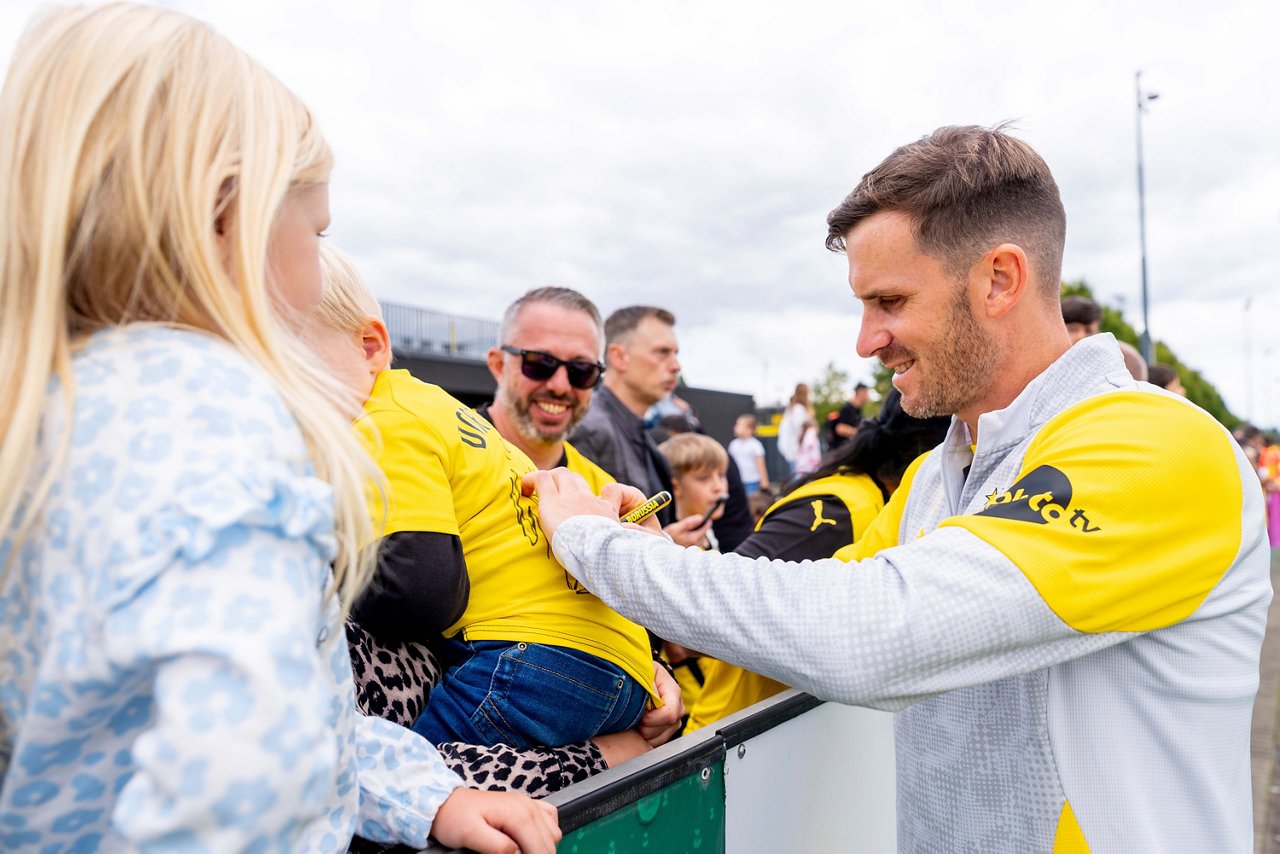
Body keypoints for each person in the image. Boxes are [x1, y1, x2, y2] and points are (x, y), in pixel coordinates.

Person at [526, 125, 1270, 851]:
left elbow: (872, 635)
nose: (865, 340)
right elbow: (794, 607)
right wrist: (651, 556)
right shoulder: (936, 474)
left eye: (889, 302)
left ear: (1000, 280)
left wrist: (591, 544)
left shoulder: (1157, 443)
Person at [0, 5, 558, 853]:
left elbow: (289, 708)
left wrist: (426, 796)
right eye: (317, 229)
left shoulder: (43, 415)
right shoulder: (211, 416)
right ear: (224, 217)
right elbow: (245, 784)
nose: (317, 267)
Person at [297, 247, 662, 753]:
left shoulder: (381, 424)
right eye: (539, 365)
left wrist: (332, 551)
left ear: (369, 347)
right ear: (498, 364)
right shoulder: (451, 421)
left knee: (415, 775)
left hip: (536, 662)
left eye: (581, 371)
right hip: (618, 671)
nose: (559, 383)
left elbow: (420, 593)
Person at [687, 390, 950, 731]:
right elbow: (716, 595)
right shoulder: (838, 510)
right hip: (731, 738)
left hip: (783, 735)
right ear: (927, 458)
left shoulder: (871, 502)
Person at [569, 306, 716, 546]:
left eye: (675, 353)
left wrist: (666, 539)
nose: (676, 366)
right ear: (619, 357)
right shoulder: (590, 430)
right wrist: (666, 547)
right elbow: (582, 545)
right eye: (662, 352)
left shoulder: (632, 430)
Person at [727, 413, 770, 495]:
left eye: (739, 425)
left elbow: (761, 465)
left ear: (749, 429)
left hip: (752, 481)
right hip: (738, 480)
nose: (735, 427)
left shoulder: (755, 445)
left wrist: (764, 481)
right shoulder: (733, 444)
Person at [775, 382, 813, 471]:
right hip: (796, 449)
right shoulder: (798, 409)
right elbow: (799, 429)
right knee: (799, 475)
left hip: (792, 448)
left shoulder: (792, 408)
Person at [826, 382, 871, 450]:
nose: (868, 396)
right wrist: (860, 432)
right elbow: (840, 428)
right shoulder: (847, 408)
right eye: (867, 393)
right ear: (861, 393)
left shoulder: (858, 409)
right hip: (842, 450)